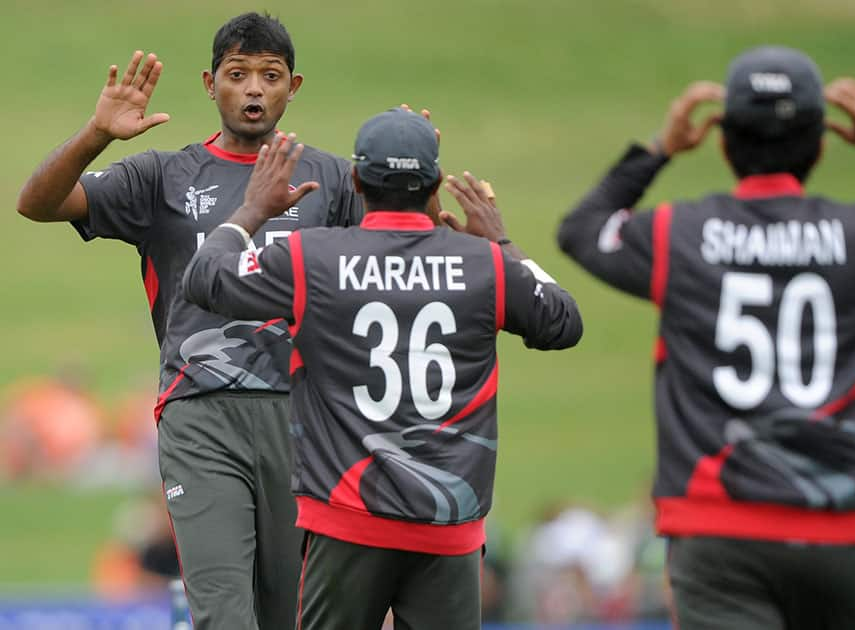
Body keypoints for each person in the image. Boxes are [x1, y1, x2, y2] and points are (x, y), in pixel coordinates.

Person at [557, 45, 855, 629]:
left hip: (718, 535)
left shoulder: (679, 235)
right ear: (821, 144)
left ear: (724, 142)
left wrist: (660, 150)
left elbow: (582, 230)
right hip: (840, 536)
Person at [16, 13, 362, 629]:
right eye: (238, 75)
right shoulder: (163, 177)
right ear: (210, 84)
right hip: (200, 413)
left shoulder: (331, 180)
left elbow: (395, 254)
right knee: (223, 615)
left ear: (294, 86)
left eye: (270, 76)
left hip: (305, 420)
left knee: (295, 616)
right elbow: (36, 202)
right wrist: (96, 134)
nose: (254, 89)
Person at [182, 109, 583, 629]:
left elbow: (205, 277)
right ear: (435, 181)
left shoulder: (314, 258)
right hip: (449, 524)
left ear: (355, 180)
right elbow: (563, 321)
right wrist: (502, 242)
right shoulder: (484, 264)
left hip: (347, 519)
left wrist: (251, 210)